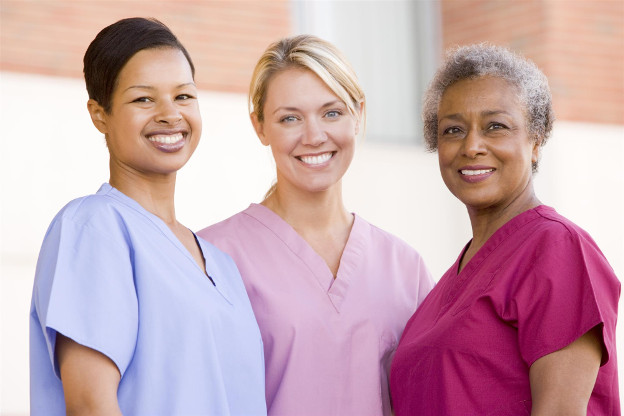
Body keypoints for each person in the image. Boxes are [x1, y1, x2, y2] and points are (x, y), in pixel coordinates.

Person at [29, 17, 266, 416]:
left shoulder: (220, 263)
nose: (170, 114)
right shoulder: (95, 227)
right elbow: (90, 405)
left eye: (184, 96)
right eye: (143, 99)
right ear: (99, 114)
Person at [197, 34, 434, 416]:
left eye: (332, 112)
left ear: (358, 114)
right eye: (290, 118)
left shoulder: (404, 267)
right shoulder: (211, 258)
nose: (314, 136)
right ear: (259, 126)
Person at [390, 43, 620, 415]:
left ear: (535, 140)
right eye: (453, 130)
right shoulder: (446, 286)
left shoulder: (556, 247)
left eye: (495, 126)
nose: (472, 146)